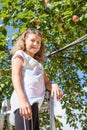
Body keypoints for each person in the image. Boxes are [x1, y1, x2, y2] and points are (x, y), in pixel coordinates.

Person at [10, 28, 63, 130]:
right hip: (24, 101)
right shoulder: (20, 55)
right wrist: (23, 100)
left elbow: (46, 82)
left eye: (38, 42)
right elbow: (15, 76)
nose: (36, 44)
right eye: (32, 40)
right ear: (24, 41)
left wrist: (54, 85)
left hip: (34, 103)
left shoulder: (38, 64)